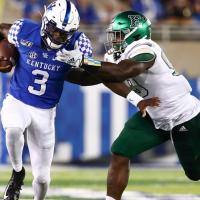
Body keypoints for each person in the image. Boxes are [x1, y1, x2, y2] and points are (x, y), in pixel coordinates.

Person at [0, 1, 159, 199]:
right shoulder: (22, 30)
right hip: (17, 100)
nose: (58, 36)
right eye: (55, 30)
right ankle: (17, 172)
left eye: (63, 34)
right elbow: (1, 31)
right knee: (13, 131)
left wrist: (83, 62)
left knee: (42, 179)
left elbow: (93, 74)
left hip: (45, 111)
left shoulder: (78, 42)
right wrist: (7, 56)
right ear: (45, 23)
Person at [56, 10, 200, 200]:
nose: (114, 40)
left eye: (119, 35)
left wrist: (84, 60)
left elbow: (123, 71)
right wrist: (56, 68)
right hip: (153, 114)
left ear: (135, 34)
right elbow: (86, 78)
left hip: (184, 114)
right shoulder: (114, 55)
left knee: (194, 173)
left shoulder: (146, 48)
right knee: (120, 151)